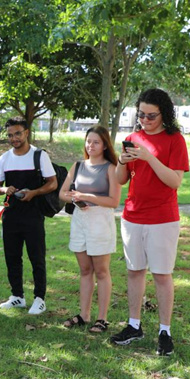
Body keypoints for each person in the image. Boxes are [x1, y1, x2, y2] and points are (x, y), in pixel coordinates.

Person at [111, 89, 189, 356]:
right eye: (141, 114)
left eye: (151, 115)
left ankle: (164, 331)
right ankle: (134, 325)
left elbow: (174, 181)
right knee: (134, 271)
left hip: (162, 218)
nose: (145, 119)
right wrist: (122, 160)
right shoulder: (132, 138)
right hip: (132, 215)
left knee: (161, 274)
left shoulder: (174, 140)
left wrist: (149, 157)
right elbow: (122, 180)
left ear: (164, 114)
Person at [59, 126, 121, 333]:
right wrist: (74, 198)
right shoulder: (77, 166)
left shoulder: (111, 168)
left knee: (101, 271)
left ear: (104, 145)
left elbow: (114, 201)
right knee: (85, 270)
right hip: (80, 219)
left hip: (100, 221)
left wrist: (87, 197)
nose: (90, 145)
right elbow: (62, 193)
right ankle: (84, 315)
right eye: (88, 141)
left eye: (96, 142)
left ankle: (102, 318)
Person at [0, 117, 58, 315]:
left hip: (33, 215)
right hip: (11, 215)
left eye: (18, 133)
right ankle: (17, 296)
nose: (14, 138)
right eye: (11, 135)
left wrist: (35, 192)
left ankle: (39, 298)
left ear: (26, 132)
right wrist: (5, 189)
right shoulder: (4, 158)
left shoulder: (39, 155)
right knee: (12, 257)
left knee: (36, 257)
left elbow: (53, 183)